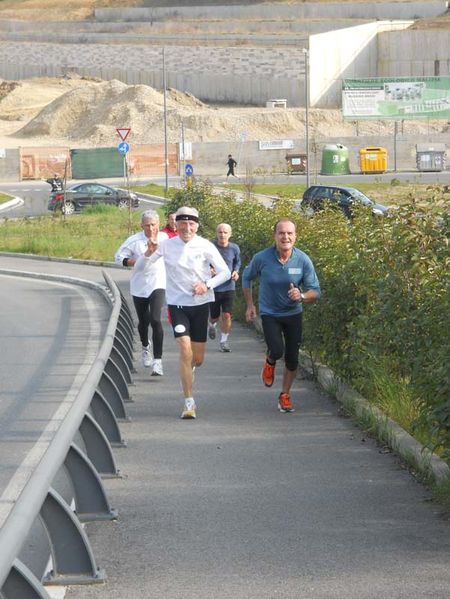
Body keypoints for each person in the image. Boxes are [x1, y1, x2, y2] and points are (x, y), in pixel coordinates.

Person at [135, 206, 231, 419]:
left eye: (191, 224)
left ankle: (191, 368)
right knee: (184, 350)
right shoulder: (166, 246)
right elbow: (140, 268)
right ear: (175, 225)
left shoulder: (205, 245)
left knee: (197, 358)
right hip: (177, 306)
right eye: (182, 223)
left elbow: (224, 272)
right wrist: (148, 253)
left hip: (200, 305)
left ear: (197, 225)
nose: (187, 228)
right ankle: (189, 402)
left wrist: (207, 284)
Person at [242, 218, 320, 413]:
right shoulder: (262, 258)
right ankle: (270, 362)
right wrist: (250, 305)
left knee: (292, 359)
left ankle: (284, 395)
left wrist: (301, 295)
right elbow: (246, 276)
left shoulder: (303, 260)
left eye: (289, 233)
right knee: (277, 350)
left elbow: (315, 291)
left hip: (293, 313)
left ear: (295, 236)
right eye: (281, 233)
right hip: (270, 313)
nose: (285, 237)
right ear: (275, 236)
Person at [115, 210, 168, 376]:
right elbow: (119, 257)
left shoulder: (165, 238)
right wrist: (136, 261)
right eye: (147, 225)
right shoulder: (134, 241)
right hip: (139, 285)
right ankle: (146, 346)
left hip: (158, 282)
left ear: (158, 225)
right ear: (142, 226)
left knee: (155, 319)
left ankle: (158, 362)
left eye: (153, 225)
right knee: (143, 322)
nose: (151, 228)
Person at [208, 223, 241, 352]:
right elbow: (203, 261)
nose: (222, 235)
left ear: (230, 234)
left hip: (229, 286)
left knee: (227, 315)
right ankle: (211, 324)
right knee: (215, 316)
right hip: (214, 287)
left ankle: (224, 341)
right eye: (220, 232)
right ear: (216, 233)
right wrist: (209, 270)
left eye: (225, 232)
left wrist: (236, 271)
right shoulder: (210, 247)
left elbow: (237, 262)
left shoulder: (234, 248)